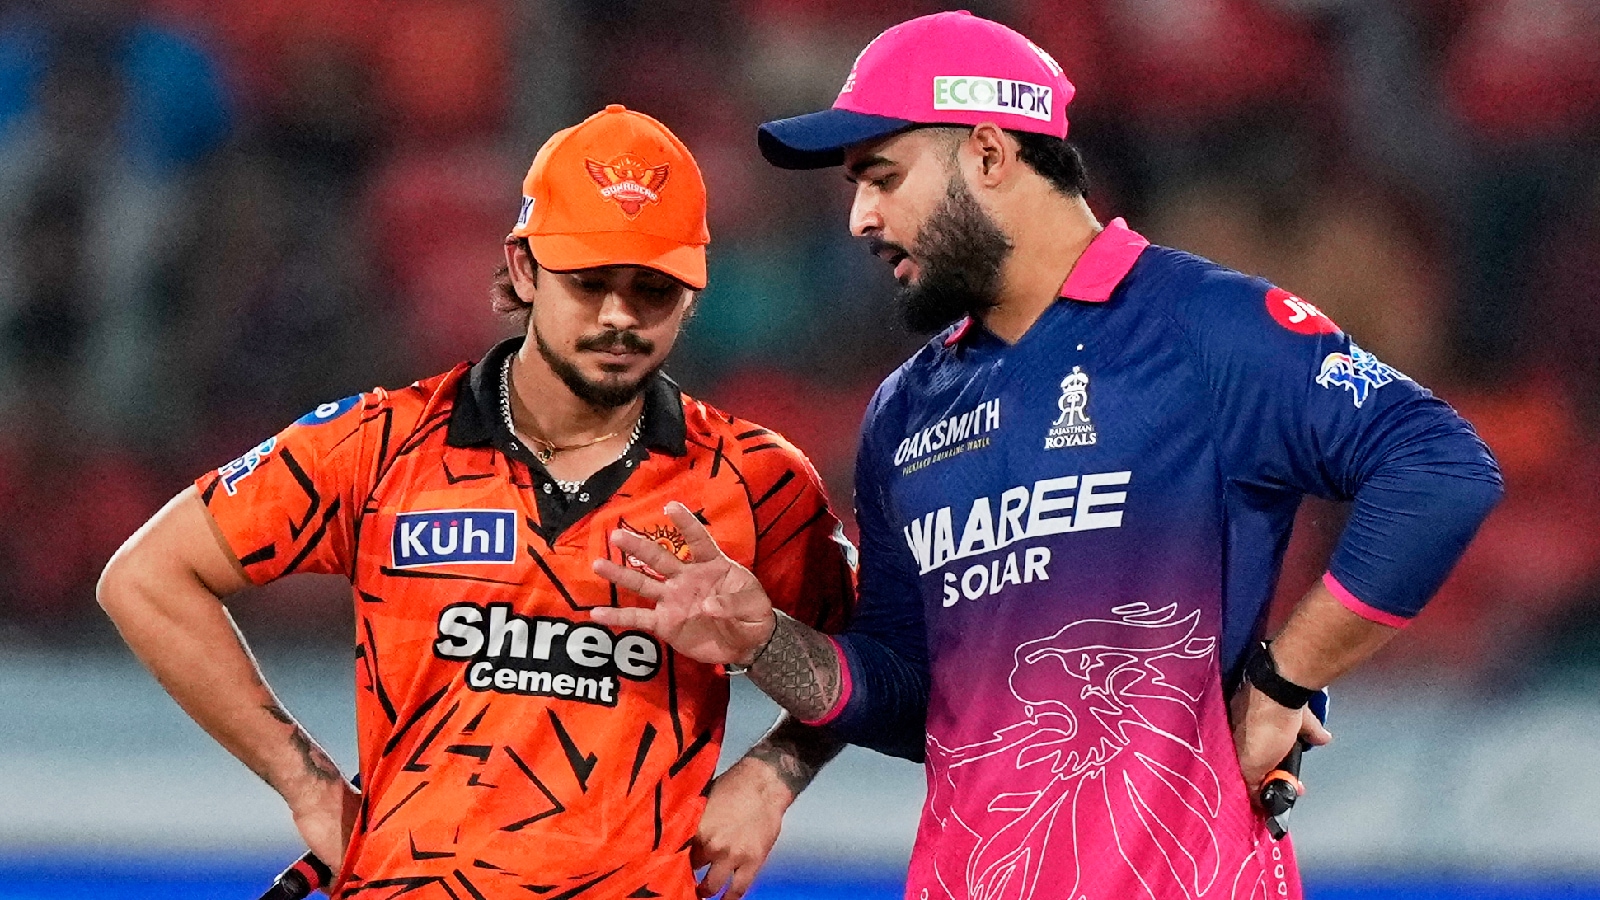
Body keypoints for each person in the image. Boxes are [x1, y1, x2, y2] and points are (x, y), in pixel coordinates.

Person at [590, 12, 1505, 900]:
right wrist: (763, 646)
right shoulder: (904, 413)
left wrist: (1283, 678)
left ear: (988, 154)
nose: (862, 217)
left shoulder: (1198, 328)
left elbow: (1440, 467)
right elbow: (919, 698)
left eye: (882, 176)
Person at [97, 104, 855, 900]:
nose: (620, 316)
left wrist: (774, 774)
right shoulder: (382, 443)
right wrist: (306, 783)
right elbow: (146, 577)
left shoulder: (758, 480)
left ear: (695, 289)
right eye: (590, 282)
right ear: (523, 268)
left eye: (655, 289)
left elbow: (880, 659)